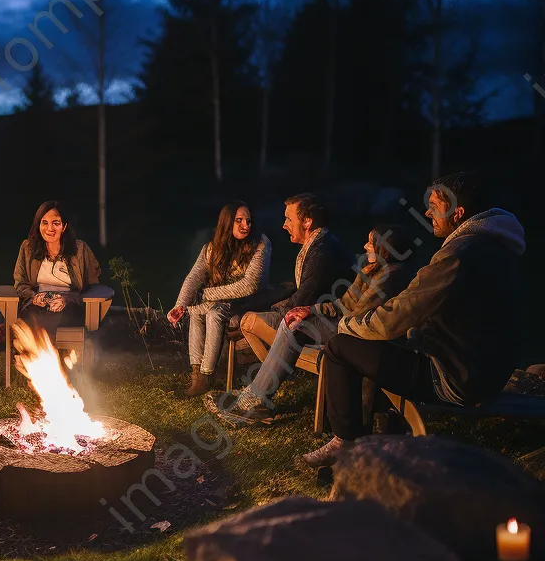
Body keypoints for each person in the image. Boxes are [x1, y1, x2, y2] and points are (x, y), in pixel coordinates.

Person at [301, 172, 526, 467]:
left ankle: (347, 442)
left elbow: (397, 316)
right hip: (486, 374)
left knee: (340, 347)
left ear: (457, 213)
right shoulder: (497, 247)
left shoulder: (457, 257)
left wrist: (345, 326)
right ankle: (384, 425)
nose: (428, 212)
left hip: (454, 378)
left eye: (434, 206)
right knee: (383, 344)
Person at [216, 222, 418, 424]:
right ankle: (258, 393)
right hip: (347, 326)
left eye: (371, 243)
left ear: (385, 247)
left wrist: (317, 319)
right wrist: (312, 310)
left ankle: (258, 398)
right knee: (294, 320)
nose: (365, 246)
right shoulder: (373, 270)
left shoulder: (390, 277)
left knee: (293, 326)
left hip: (357, 335)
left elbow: (359, 317)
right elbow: (345, 303)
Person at [167, 202, 271, 396]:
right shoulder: (213, 247)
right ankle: (196, 375)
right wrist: (180, 305)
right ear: (226, 223)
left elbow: (250, 285)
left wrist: (205, 295)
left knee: (214, 312)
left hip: (250, 301)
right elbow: (194, 277)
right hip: (223, 300)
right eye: (239, 220)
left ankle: (207, 375)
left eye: (248, 221)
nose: (245, 225)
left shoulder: (260, 243)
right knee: (195, 309)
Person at [239, 192, 353, 363]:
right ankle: (268, 368)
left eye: (289, 219)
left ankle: (275, 373)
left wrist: (273, 310)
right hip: (317, 316)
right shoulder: (318, 243)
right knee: (246, 323)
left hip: (329, 323)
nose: (284, 225)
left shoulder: (322, 251)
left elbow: (303, 298)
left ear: (307, 221)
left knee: (248, 322)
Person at [13, 200, 112, 339]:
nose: (50, 228)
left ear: (64, 226)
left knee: (60, 316)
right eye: (44, 222)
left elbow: (92, 285)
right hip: (37, 303)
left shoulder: (79, 250)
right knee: (32, 315)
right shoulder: (28, 248)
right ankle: (42, 354)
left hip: (69, 304)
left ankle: (50, 353)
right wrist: (33, 296)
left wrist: (66, 299)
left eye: (56, 223)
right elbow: (20, 283)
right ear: (38, 224)